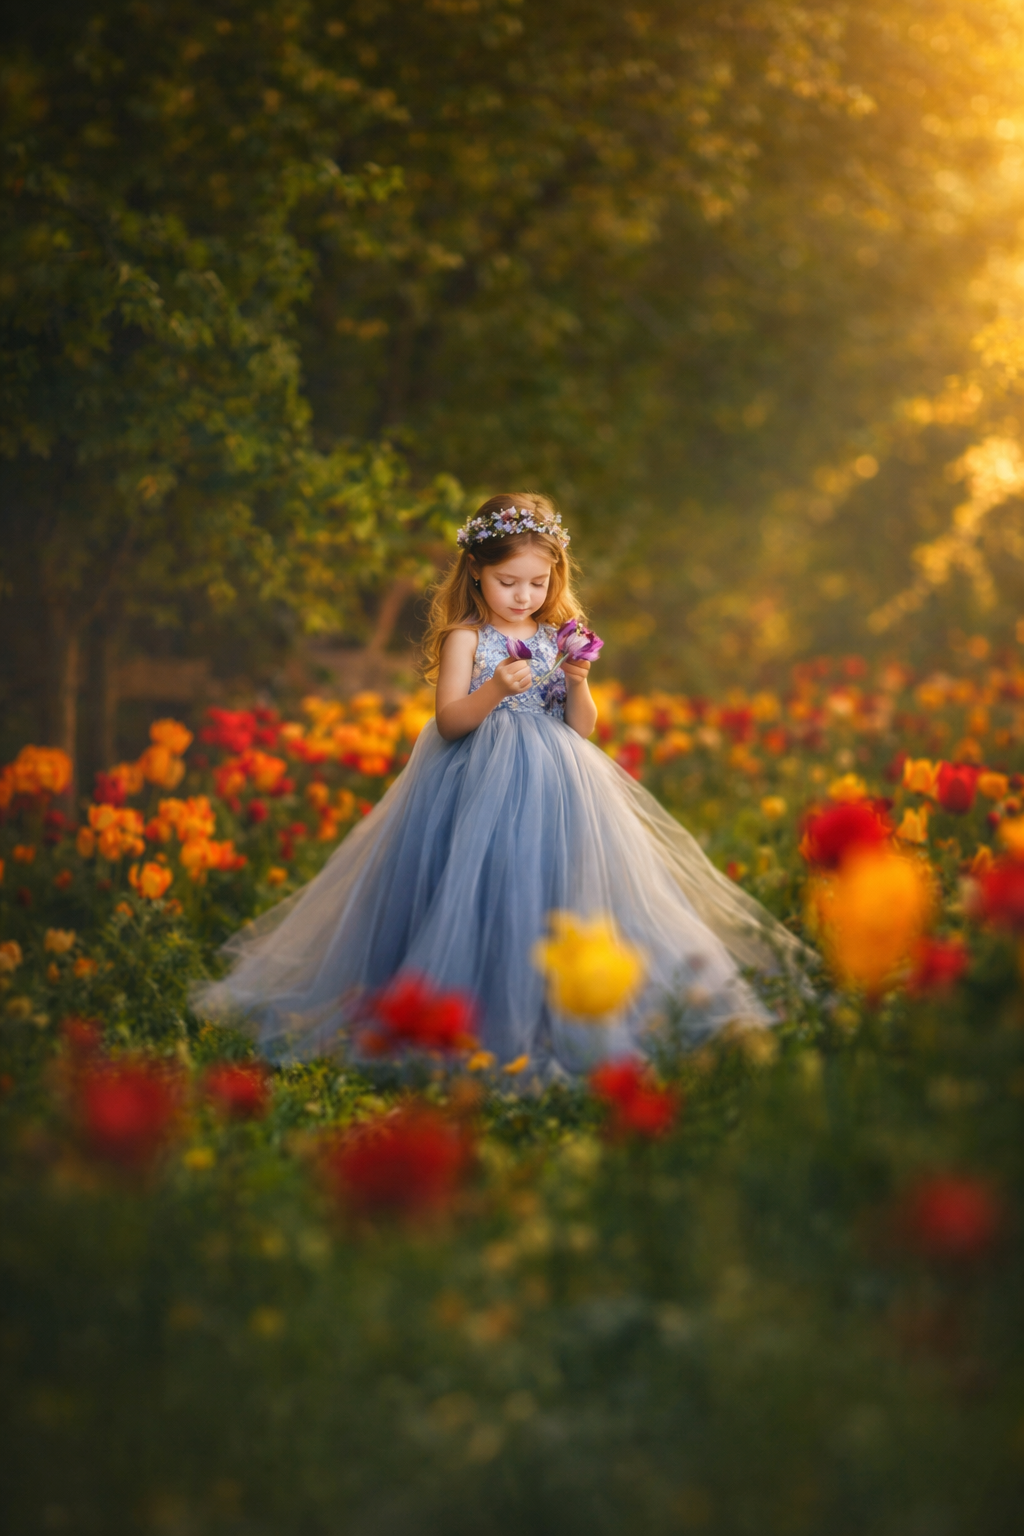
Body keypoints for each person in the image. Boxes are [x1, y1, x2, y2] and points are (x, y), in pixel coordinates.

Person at [195, 493, 802, 1076]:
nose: (524, 596)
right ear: (477, 572)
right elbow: (450, 720)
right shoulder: (466, 636)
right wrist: (494, 691)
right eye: (509, 582)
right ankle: (466, 1015)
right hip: (474, 782)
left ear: (554, 579)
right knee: (478, 889)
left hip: (557, 785)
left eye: (537, 583)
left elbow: (581, 729)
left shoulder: (554, 635)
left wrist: (579, 679)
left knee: (551, 892)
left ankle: (547, 1013)